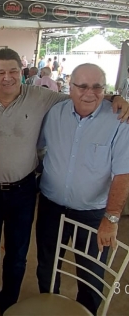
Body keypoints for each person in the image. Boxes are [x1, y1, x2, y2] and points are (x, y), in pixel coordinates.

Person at [0, 48, 129, 313]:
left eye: (13, 71)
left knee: (19, 257)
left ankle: (9, 303)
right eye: (0, 72)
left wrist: (115, 97)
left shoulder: (42, 97)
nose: (8, 77)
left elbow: (83, 96)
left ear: (22, 73)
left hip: (24, 192)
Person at [36, 63, 129, 315]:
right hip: (51, 207)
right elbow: (41, 149)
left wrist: (111, 219)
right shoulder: (54, 114)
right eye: (83, 86)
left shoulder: (119, 120)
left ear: (106, 89)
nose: (90, 93)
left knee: (91, 273)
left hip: (93, 213)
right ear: (69, 87)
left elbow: (123, 174)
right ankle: (49, 308)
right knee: (46, 266)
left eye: (98, 87)